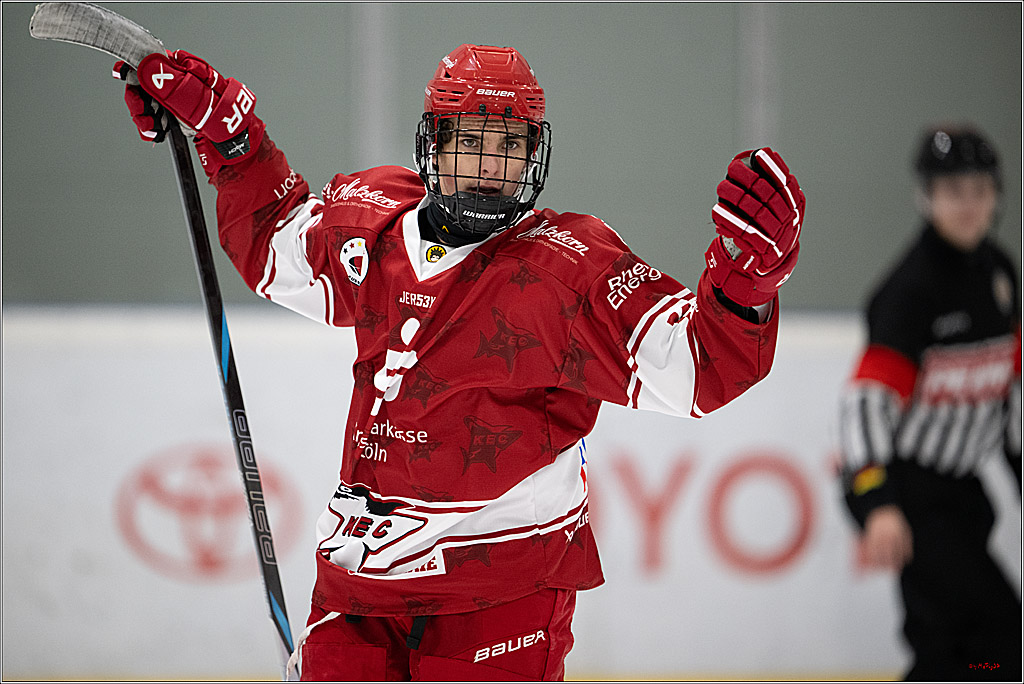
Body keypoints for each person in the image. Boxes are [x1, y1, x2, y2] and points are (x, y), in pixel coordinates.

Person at [116, 43, 803, 681]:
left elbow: (698, 365)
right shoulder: (377, 221)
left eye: (507, 145)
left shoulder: (570, 267)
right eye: (469, 141)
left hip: (497, 590)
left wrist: (747, 282)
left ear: (534, 153)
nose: (487, 163)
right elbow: (274, 244)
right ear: (434, 144)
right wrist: (234, 142)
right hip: (359, 583)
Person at [837, 125, 1021, 681]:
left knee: (953, 649)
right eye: (953, 191)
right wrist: (879, 504)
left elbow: (1006, 399)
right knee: (999, 639)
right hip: (909, 490)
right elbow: (865, 407)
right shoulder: (909, 292)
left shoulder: (999, 274)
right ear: (927, 196)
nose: (969, 205)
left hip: (963, 491)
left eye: (979, 190)